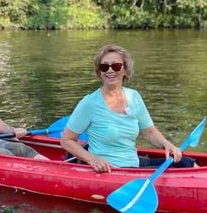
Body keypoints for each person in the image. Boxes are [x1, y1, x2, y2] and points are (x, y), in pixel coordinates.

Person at [60, 44, 196, 173]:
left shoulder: (134, 97)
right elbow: (67, 140)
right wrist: (93, 159)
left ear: (125, 69)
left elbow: (148, 132)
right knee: (176, 172)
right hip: (110, 171)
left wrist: (167, 144)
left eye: (116, 66)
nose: (110, 70)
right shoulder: (89, 103)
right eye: (104, 67)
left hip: (134, 165)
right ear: (99, 72)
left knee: (186, 163)